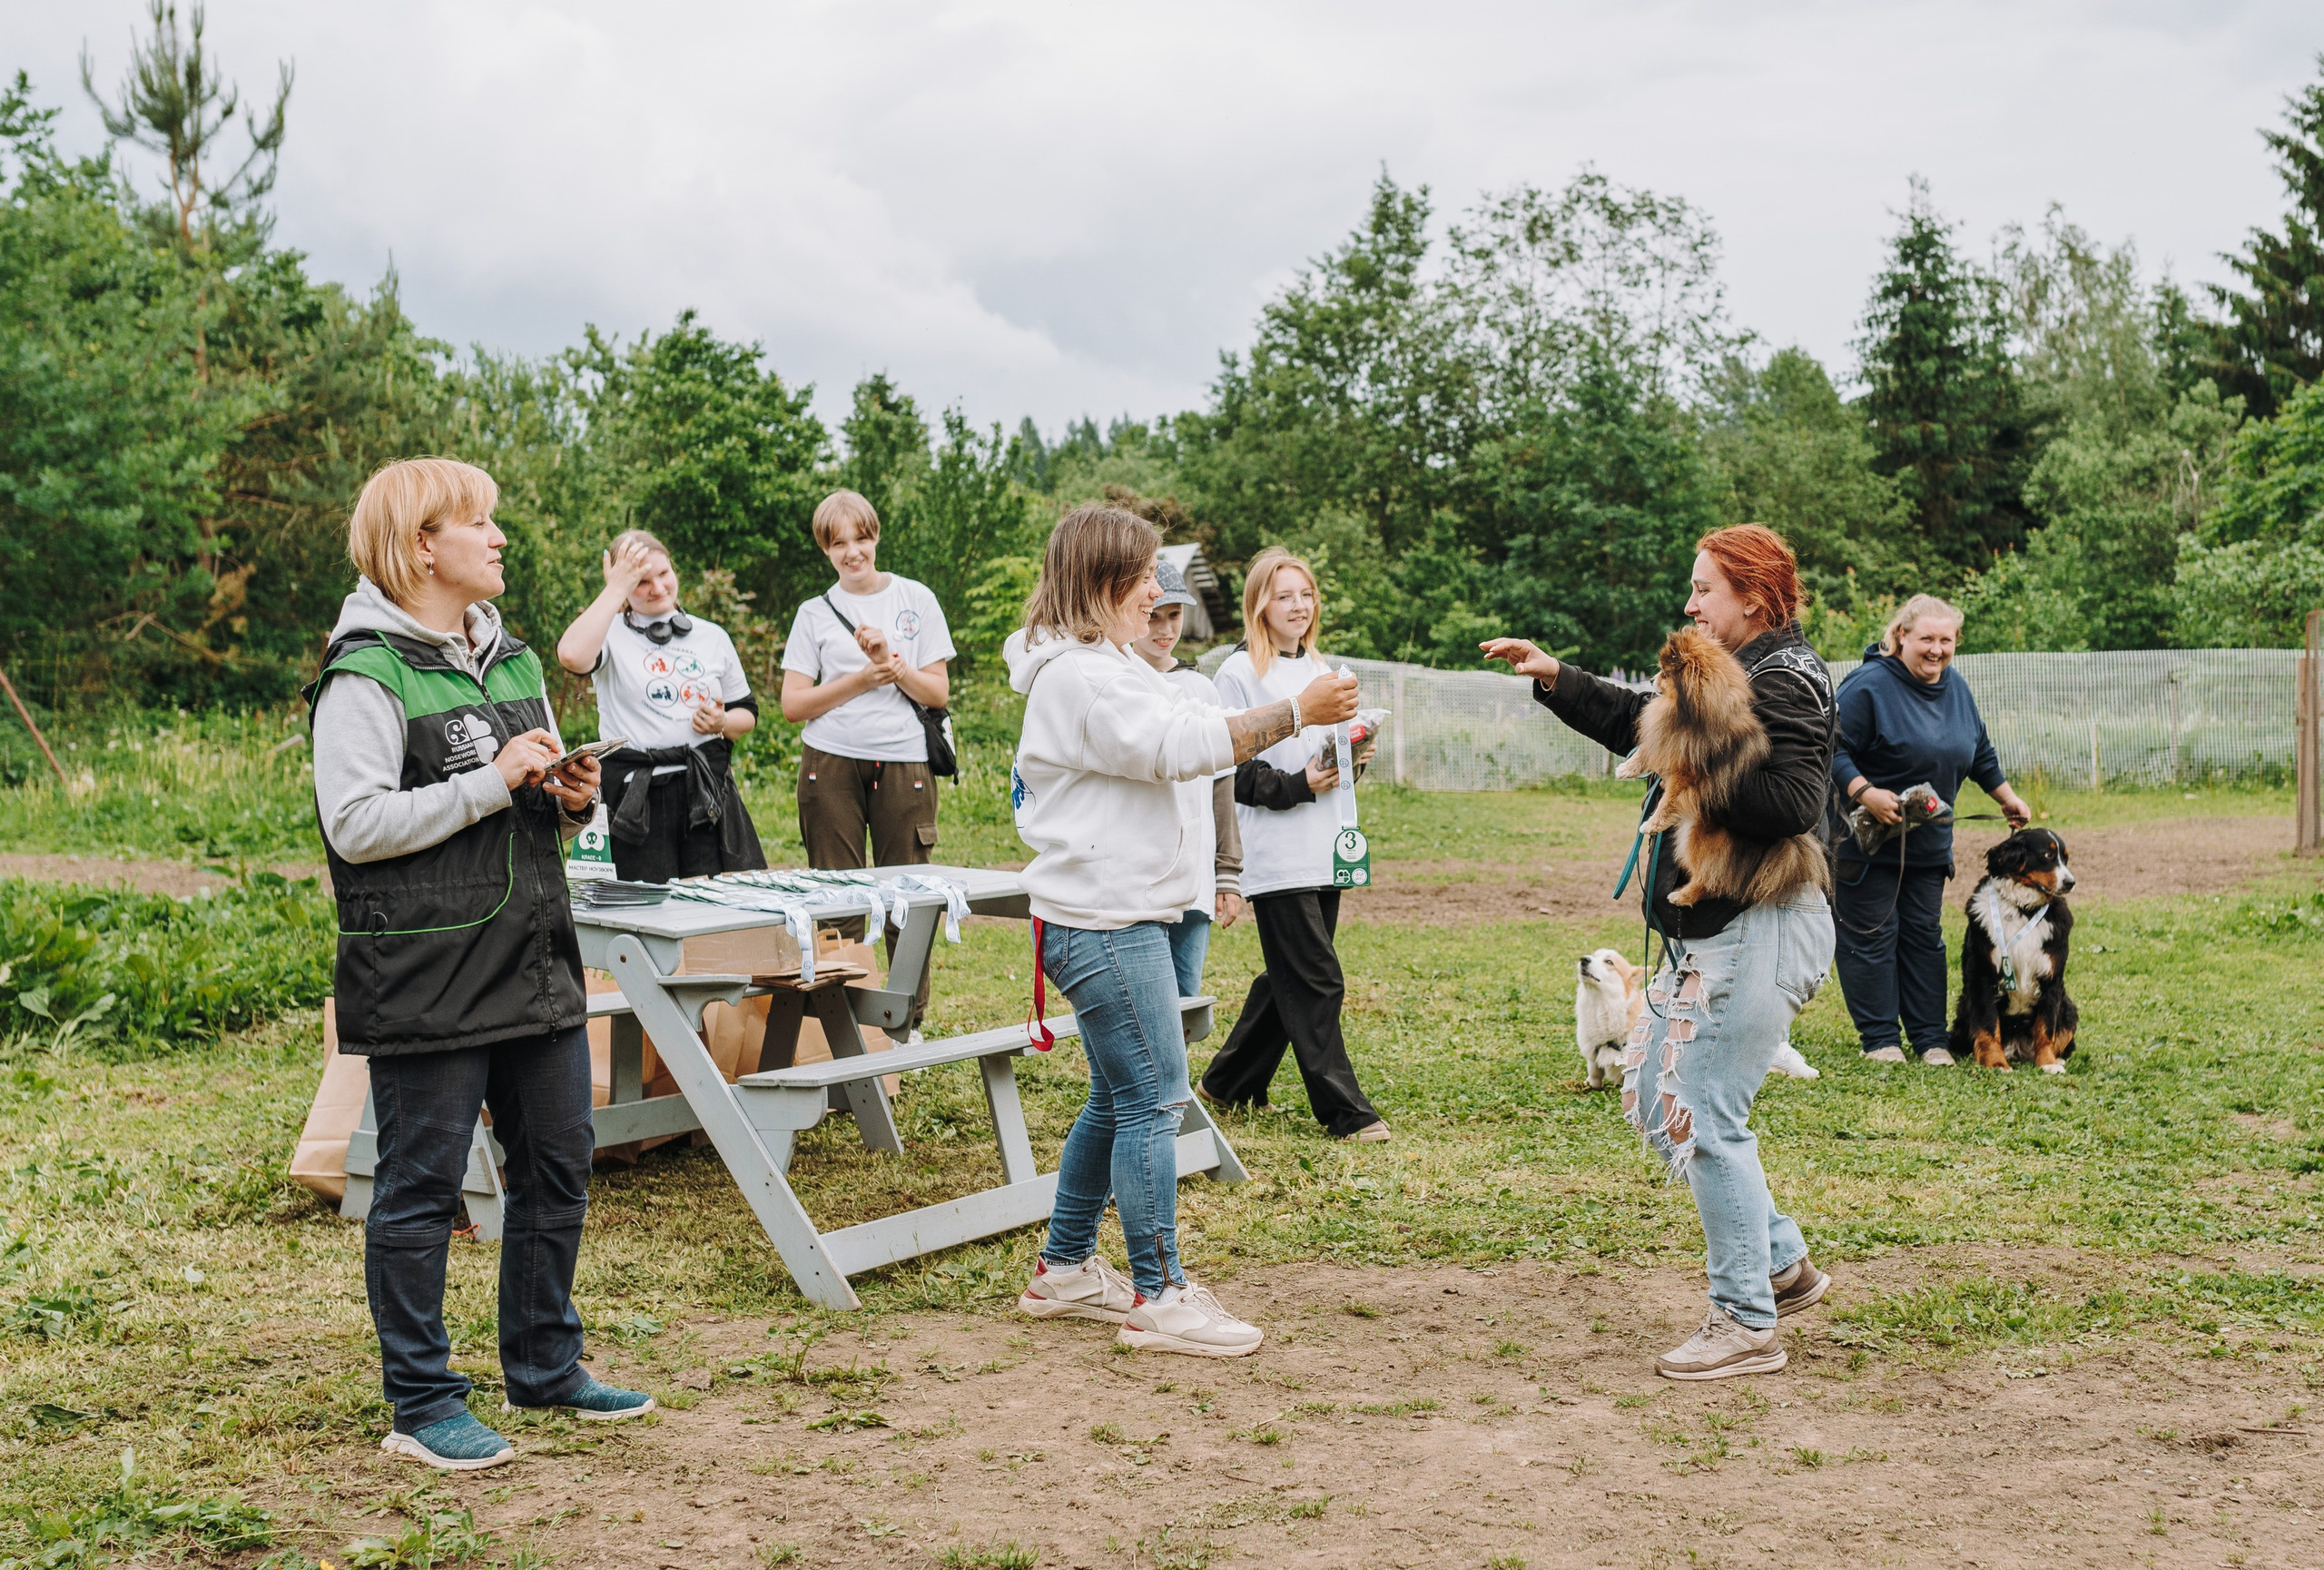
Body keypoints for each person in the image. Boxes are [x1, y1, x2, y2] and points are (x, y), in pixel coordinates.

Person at [307, 458, 653, 1471]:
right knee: (420, 1188)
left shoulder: (512, 660)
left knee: (558, 1163)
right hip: (425, 971)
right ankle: (422, 1403)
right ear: (421, 545)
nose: (499, 538)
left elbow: (522, 795)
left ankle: (546, 1365)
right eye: (479, 523)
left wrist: (566, 793)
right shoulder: (364, 670)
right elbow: (357, 823)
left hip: (535, 955)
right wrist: (497, 784)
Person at [1482, 524, 1837, 1382]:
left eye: (1704, 589)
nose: (1690, 604)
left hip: (1760, 923)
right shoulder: (1726, 670)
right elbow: (1645, 728)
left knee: (1706, 1110)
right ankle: (1780, 1261)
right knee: (1654, 1098)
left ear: (1753, 596)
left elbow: (1791, 799)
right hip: (1705, 932)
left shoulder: (1789, 679)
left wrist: (1694, 757)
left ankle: (1746, 1319)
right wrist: (1558, 678)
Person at [1006, 507, 1360, 1356]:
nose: (1159, 592)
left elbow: (1187, 717)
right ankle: (1160, 1294)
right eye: (1144, 578)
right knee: (1157, 1098)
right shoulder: (1080, 679)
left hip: (1115, 916)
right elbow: (1178, 746)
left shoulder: (1110, 665)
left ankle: (1064, 1268)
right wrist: (1292, 710)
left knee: (1118, 1094)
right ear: (1100, 584)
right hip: (1106, 922)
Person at [1196, 548, 1390, 1142]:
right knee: (1316, 977)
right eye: (1285, 595)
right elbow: (1228, 765)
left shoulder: (1323, 668)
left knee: (1288, 977)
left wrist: (1354, 757)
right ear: (1260, 603)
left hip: (1323, 847)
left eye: (1306, 594)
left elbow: (1323, 759)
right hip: (1274, 851)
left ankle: (1226, 1083)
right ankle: (1345, 1112)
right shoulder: (1236, 674)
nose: (1299, 606)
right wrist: (1296, 785)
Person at [780, 490, 954, 1033]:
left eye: (861, 538)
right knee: (838, 897)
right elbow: (793, 705)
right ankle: (845, 1029)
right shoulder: (813, 613)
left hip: (904, 760)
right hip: (829, 761)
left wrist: (892, 667)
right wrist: (860, 679)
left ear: (876, 536)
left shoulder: (916, 599)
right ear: (825, 551)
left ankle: (906, 1025)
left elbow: (938, 694)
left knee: (906, 894)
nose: (853, 552)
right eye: (839, 544)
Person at [1831, 594, 2032, 1065]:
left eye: (1946, 640)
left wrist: (2006, 796)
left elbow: (1978, 749)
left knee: (1924, 937)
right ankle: (1880, 1040)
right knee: (1872, 935)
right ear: (1902, 635)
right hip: (1867, 843)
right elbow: (1832, 749)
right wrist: (1866, 792)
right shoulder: (1867, 687)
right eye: (1926, 638)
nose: (1936, 649)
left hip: (1928, 842)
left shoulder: (1956, 688)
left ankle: (1930, 1039)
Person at [555, 528, 766, 883]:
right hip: (636, 800)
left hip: (705, 793)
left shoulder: (711, 636)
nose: (657, 588)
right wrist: (614, 591)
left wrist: (722, 721)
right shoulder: (608, 634)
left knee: (715, 908)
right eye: (640, 581)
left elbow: (748, 714)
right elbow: (572, 656)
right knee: (643, 911)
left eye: (663, 574)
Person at [1126, 558, 1243, 997]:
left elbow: (1221, 785)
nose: (1163, 628)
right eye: (1154, 616)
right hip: (1140, 877)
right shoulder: (1120, 681)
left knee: (1186, 1000)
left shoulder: (1201, 689)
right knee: (1142, 1001)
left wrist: (1227, 874)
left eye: (1173, 615)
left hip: (1194, 878)